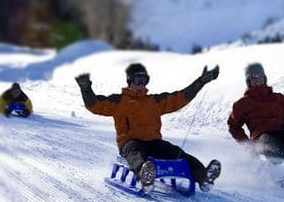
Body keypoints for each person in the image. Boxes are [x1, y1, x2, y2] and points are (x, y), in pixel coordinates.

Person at [75, 63, 222, 192]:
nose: (141, 84)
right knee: (136, 154)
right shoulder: (119, 101)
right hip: (130, 142)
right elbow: (95, 105)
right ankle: (145, 176)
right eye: (138, 80)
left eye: (144, 80)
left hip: (154, 142)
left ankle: (204, 177)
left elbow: (179, 98)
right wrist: (86, 89)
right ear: (130, 81)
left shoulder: (154, 101)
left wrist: (201, 82)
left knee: (176, 153)